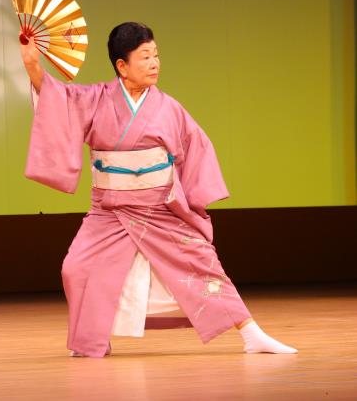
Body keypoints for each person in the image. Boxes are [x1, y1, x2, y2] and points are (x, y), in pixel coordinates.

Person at [20, 22, 298, 358]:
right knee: (76, 268)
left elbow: (197, 147)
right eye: (145, 57)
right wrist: (33, 65)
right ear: (122, 66)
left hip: (158, 208)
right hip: (109, 210)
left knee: (202, 263)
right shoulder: (95, 99)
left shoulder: (169, 108)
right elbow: (58, 99)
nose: (154, 63)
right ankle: (94, 338)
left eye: (156, 55)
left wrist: (191, 199)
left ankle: (251, 333)